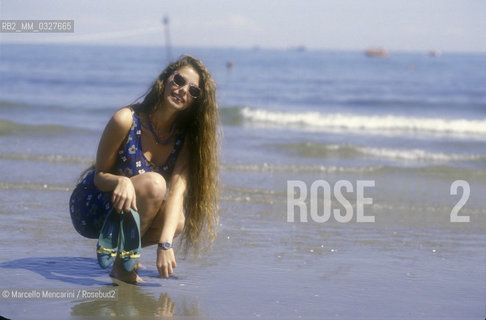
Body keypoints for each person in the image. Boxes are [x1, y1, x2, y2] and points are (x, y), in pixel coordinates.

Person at [69, 55, 220, 283]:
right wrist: (122, 182)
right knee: (156, 184)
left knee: (177, 219)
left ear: (195, 101)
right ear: (165, 79)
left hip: (129, 212)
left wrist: (165, 244)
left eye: (194, 91)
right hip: (93, 206)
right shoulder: (126, 119)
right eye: (179, 80)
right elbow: (100, 177)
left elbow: (178, 191)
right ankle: (123, 267)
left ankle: (125, 253)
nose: (183, 90)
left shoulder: (184, 139)